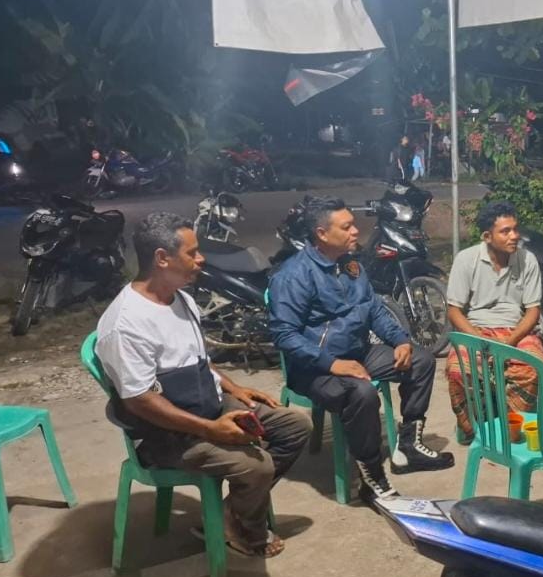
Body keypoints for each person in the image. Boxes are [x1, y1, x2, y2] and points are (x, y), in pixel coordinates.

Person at [96, 214, 312, 558]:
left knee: (295, 426)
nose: (201, 259)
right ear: (162, 258)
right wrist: (210, 429)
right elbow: (140, 401)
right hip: (164, 435)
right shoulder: (126, 325)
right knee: (256, 466)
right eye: (192, 253)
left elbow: (197, 358)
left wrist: (233, 388)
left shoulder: (181, 299)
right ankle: (247, 531)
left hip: (208, 405)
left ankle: (230, 513)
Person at [267, 196, 453, 508]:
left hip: (358, 352)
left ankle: (408, 447)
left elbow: (374, 309)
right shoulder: (294, 275)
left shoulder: (351, 266)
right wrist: (332, 364)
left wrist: (401, 340)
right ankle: (372, 477)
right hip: (314, 368)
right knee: (362, 393)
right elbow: (284, 335)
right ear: (322, 234)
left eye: (353, 225)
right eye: (346, 227)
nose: (356, 231)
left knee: (421, 360)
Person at [446, 201, 543, 443]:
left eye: (515, 229)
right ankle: (473, 428)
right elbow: (454, 310)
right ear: (487, 236)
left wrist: (509, 342)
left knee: (533, 368)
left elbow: (533, 311)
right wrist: (479, 340)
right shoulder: (466, 259)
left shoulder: (527, 259)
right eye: (505, 231)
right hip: (477, 329)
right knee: (459, 370)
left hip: (515, 330)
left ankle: (510, 424)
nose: (514, 236)